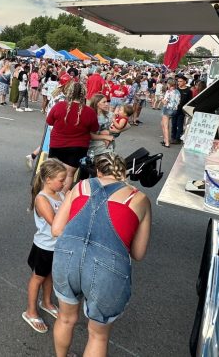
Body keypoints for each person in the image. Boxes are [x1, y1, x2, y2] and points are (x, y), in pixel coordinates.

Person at [51, 153, 152, 357]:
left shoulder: (80, 187)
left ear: (98, 171)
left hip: (67, 256)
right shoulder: (139, 198)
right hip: (107, 266)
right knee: (98, 335)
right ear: (123, 173)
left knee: (65, 318)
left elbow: (56, 229)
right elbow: (138, 253)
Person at [24, 159, 67, 333]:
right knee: (38, 278)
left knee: (50, 276)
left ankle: (47, 302)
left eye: (64, 180)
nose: (64, 183)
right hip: (44, 247)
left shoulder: (61, 194)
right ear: (48, 179)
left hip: (57, 247)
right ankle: (30, 311)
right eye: (61, 180)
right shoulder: (42, 199)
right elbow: (56, 223)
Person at [46, 82, 110, 192]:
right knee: (69, 174)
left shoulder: (59, 106)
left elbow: (49, 121)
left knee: (53, 173)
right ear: (83, 94)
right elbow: (94, 129)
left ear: (69, 92)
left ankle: (49, 196)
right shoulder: (89, 112)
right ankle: (62, 199)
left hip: (57, 144)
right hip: (78, 147)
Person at [171, 76, 192, 144]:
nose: (179, 82)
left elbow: (190, 102)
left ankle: (178, 139)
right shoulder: (176, 89)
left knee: (179, 125)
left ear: (185, 82)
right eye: (178, 81)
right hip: (174, 110)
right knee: (173, 124)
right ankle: (173, 137)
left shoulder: (189, 91)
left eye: (180, 81)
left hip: (182, 111)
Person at [161, 78, 180, 148]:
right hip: (175, 110)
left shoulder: (168, 92)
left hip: (167, 109)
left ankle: (167, 142)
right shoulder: (178, 91)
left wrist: (162, 99)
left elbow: (165, 102)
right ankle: (165, 140)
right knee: (162, 124)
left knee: (165, 126)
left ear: (169, 84)